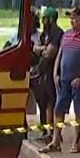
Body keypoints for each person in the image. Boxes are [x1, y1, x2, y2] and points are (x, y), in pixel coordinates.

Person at [46, 7, 80, 154]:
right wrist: (55, 73)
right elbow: (60, 55)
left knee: (79, 112)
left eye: (75, 19)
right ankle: (56, 140)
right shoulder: (66, 35)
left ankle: (76, 142)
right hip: (63, 80)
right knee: (59, 109)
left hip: (78, 82)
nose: (72, 21)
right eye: (71, 19)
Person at [29, 9, 60, 140]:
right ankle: (45, 131)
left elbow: (50, 53)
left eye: (45, 18)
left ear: (51, 19)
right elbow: (35, 48)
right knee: (42, 103)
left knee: (51, 104)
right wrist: (43, 49)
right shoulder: (44, 35)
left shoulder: (57, 33)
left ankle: (52, 133)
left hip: (53, 73)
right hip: (42, 73)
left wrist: (42, 50)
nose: (42, 21)